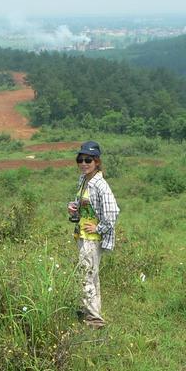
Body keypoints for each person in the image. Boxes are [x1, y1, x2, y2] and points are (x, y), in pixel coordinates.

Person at [67, 141, 120, 329]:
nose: (83, 163)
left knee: (86, 275)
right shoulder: (84, 180)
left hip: (92, 238)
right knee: (91, 275)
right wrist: (74, 208)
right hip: (81, 235)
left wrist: (99, 229)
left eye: (88, 159)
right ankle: (90, 312)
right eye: (80, 159)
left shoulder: (100, 184)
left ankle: (94, 319)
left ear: (96, 161)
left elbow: (113, 212)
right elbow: (83, 204)